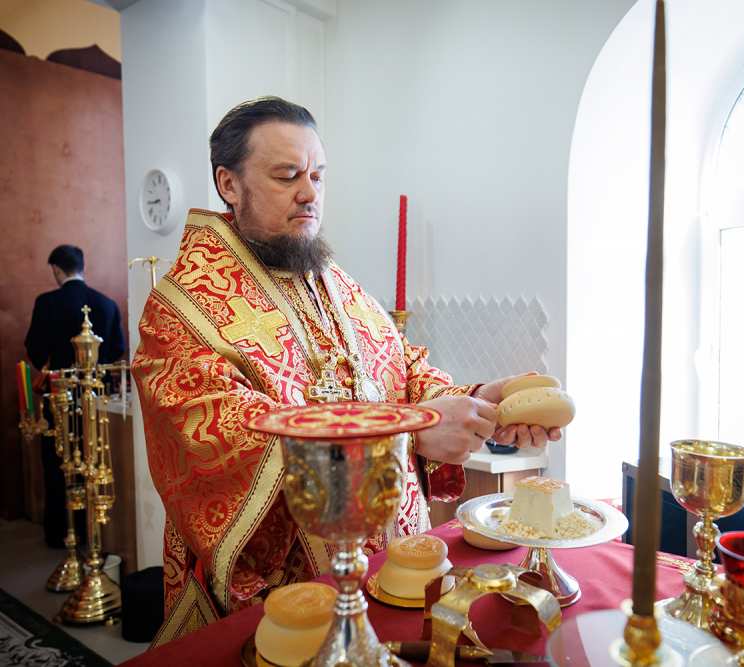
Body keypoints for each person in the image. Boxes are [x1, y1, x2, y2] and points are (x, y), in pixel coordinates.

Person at [131, 97, 561, 644]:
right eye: (286, 175)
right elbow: (228, 441)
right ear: (229, 184)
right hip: (282, 601)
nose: (309, 193)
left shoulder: (333, 282)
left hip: (393, 574)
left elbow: (402, 372)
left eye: (317, 176)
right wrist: (413, 429)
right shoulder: (183, 309)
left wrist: (479, 403)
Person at [24, 244, 126, 548]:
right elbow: (117, 349)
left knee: (59, 462)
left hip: (61, 398)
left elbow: (34, 348)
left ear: (56, 269)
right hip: (98, 401)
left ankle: (62, 533)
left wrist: (53, 364)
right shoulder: (106, 304)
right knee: (96, 460)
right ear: (81, 267)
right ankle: (97, 532)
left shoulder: (47, 303)